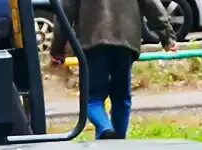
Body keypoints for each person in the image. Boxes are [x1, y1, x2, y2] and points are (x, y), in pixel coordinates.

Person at [60, 0, 175, 140]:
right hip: (126, 39)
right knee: (122, 98)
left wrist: (57, 48)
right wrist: (167, 37)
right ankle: (119, 140)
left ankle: (105, 128)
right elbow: (151, 4)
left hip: (93, 40)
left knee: (92, 98)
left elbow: (65, 10)